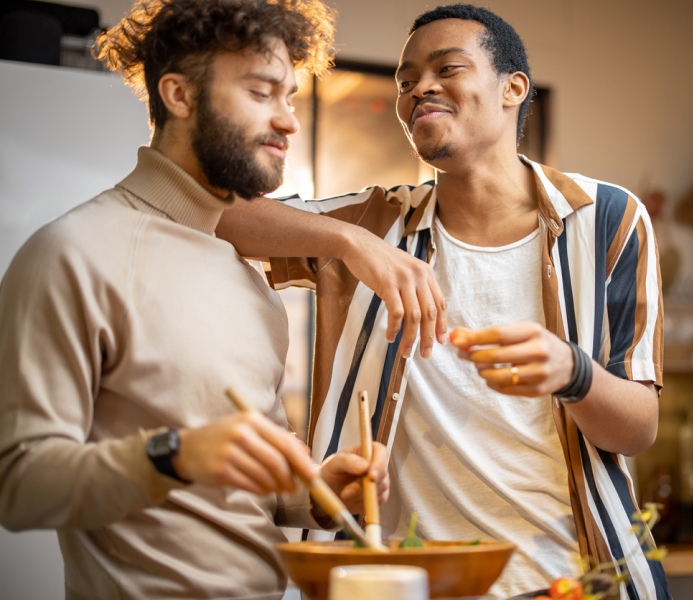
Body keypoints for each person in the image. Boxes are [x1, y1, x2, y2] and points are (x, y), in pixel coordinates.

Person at [0, 0, 452, 597]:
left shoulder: (247, 279)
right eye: (263, 93)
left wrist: (314, 490)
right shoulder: (72, 253)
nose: (289, 121)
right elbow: (19, 486)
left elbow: (245, 483)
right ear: (179, 95)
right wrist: (172, 455)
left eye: (290, 96)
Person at [217, 4, 670, 599]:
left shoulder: (608, 219)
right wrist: (350, 241)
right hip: (405, 583)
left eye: (446, 68)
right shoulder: (374, 224)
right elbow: (217, 214)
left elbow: (638, 428)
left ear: (513, 89)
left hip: (571, 582)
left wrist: (571, 372)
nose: (418, 89)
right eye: (405, 81)